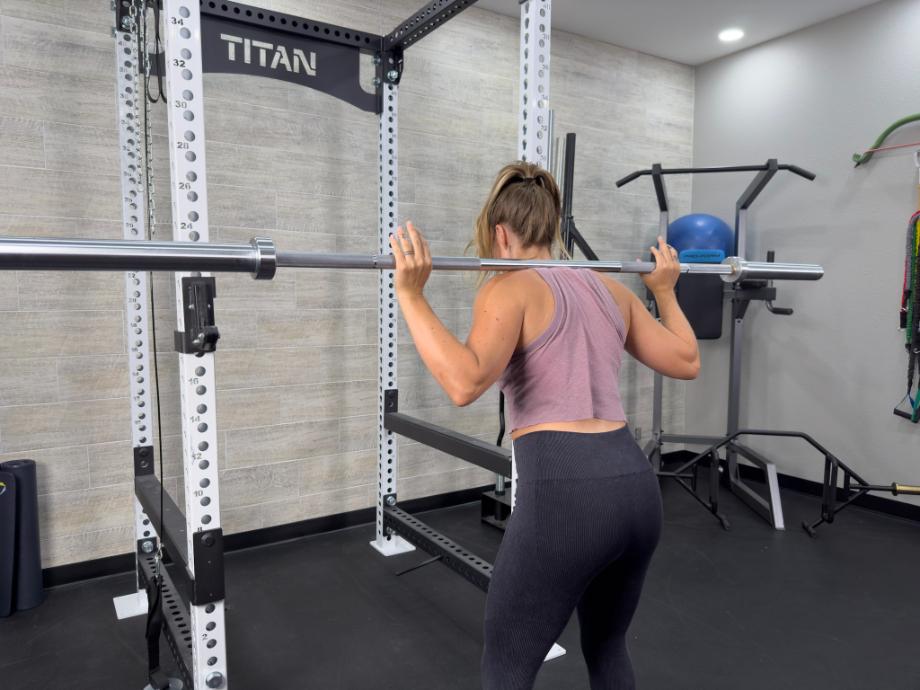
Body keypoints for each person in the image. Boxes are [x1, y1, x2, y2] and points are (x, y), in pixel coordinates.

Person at [388, 161, 700, 690]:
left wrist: (412, 296)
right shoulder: (611, 290)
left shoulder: (508, 288)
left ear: (500, 234)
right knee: (606, 649)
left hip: (567, 495)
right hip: (636, 488)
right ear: (553, 229)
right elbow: (687, 359)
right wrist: (666, 292)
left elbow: (464, 384)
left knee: (506, 669)